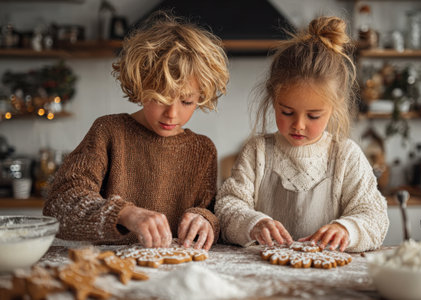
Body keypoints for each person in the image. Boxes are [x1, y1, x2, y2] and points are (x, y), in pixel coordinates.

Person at [43, 12, 229, 250]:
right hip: (109, 269)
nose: (172, 114)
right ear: (140, 86)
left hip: (175, 274)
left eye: (186, 101)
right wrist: (124, 213)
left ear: (201, 97)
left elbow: (213, 213)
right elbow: (59, 205)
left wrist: (205, 220)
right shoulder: (109, 132)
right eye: (159, 99)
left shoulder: (202, 149)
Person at [215, 16, 389, 252]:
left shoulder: (346, 156)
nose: (298, 125)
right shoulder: (257, 151)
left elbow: (374, 217)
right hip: (262, 275)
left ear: (334, 107)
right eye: (286, 112)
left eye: (313, 116)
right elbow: (227, 207)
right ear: (273, 100)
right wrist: (253, 223)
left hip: (329, 277)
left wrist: (348, 229)